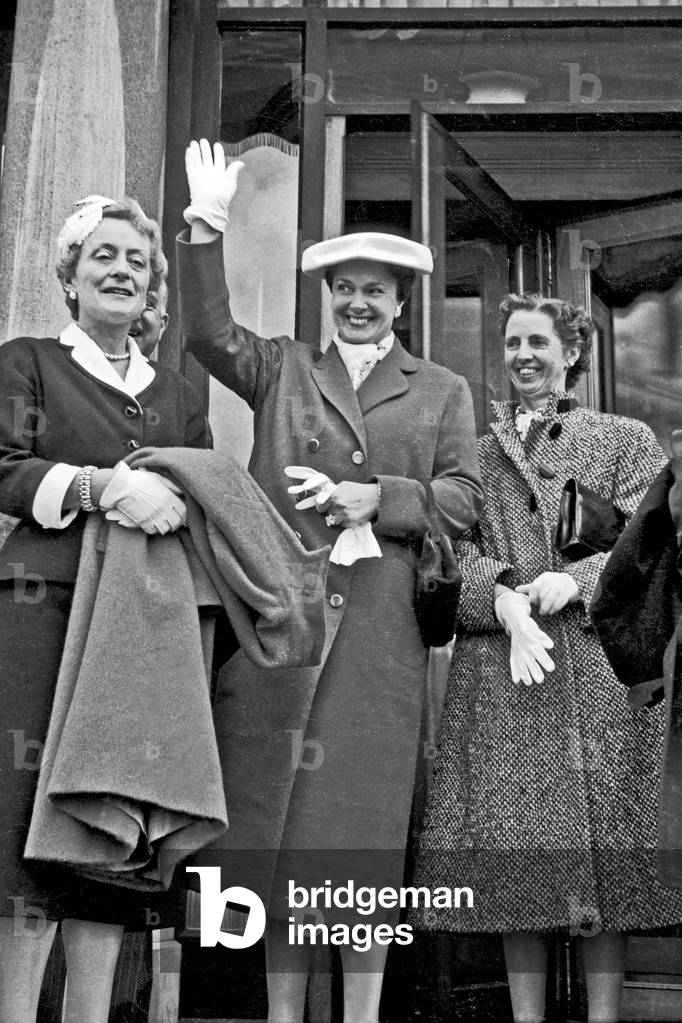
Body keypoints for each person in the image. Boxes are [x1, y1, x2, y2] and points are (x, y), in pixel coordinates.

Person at [176, 139, 483, 1023]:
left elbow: (462, 500)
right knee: (281, 836)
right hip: (286, 634)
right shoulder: (282, 368)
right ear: (329, 296)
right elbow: (205, 333)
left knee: (361, 840)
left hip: (381, 646)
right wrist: (206, 227)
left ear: (401, 303)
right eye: (344, 287)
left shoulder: (442, 390)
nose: (357, 301)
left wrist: (372, 498)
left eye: (375, 290)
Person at [413, 293, 682, 1023]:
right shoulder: (474, 450)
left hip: (595, 672)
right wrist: (497, 593)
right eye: (512, 343)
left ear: (571, 353)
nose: (523, 355)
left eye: (538, 341)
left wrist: (579, 579)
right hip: (504, 673)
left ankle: (603, 1017)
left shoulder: (624, 438)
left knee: (610, 868)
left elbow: (653, 537)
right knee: (514, 863)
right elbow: (446, 552)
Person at [0, 195, 211, 1023]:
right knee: (24, 823)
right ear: (70, 277)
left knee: (109, 820)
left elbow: (209, 489)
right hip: (38, 612)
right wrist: (97, 486)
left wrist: (180, 501)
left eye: (137, 261)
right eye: (104, 257)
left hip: (139, 625)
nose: (122, 271)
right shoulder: (27, 362)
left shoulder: (178, 390)